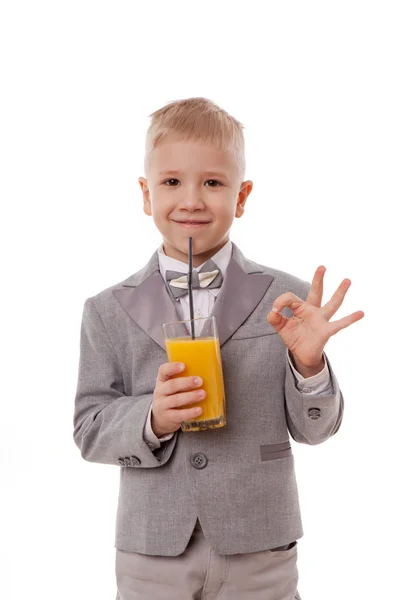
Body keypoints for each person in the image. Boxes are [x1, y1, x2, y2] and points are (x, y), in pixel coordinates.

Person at [73, 97, 364, 600]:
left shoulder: (288, 298)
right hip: (152, 548)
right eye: (171, 182)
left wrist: (309, 364)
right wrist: (152, 417)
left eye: (212, 182)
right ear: (145, 194)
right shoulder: (106, 310)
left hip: (261, 545)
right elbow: (88, 430)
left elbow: (315, 430)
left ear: (242, 195)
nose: (191, 199)